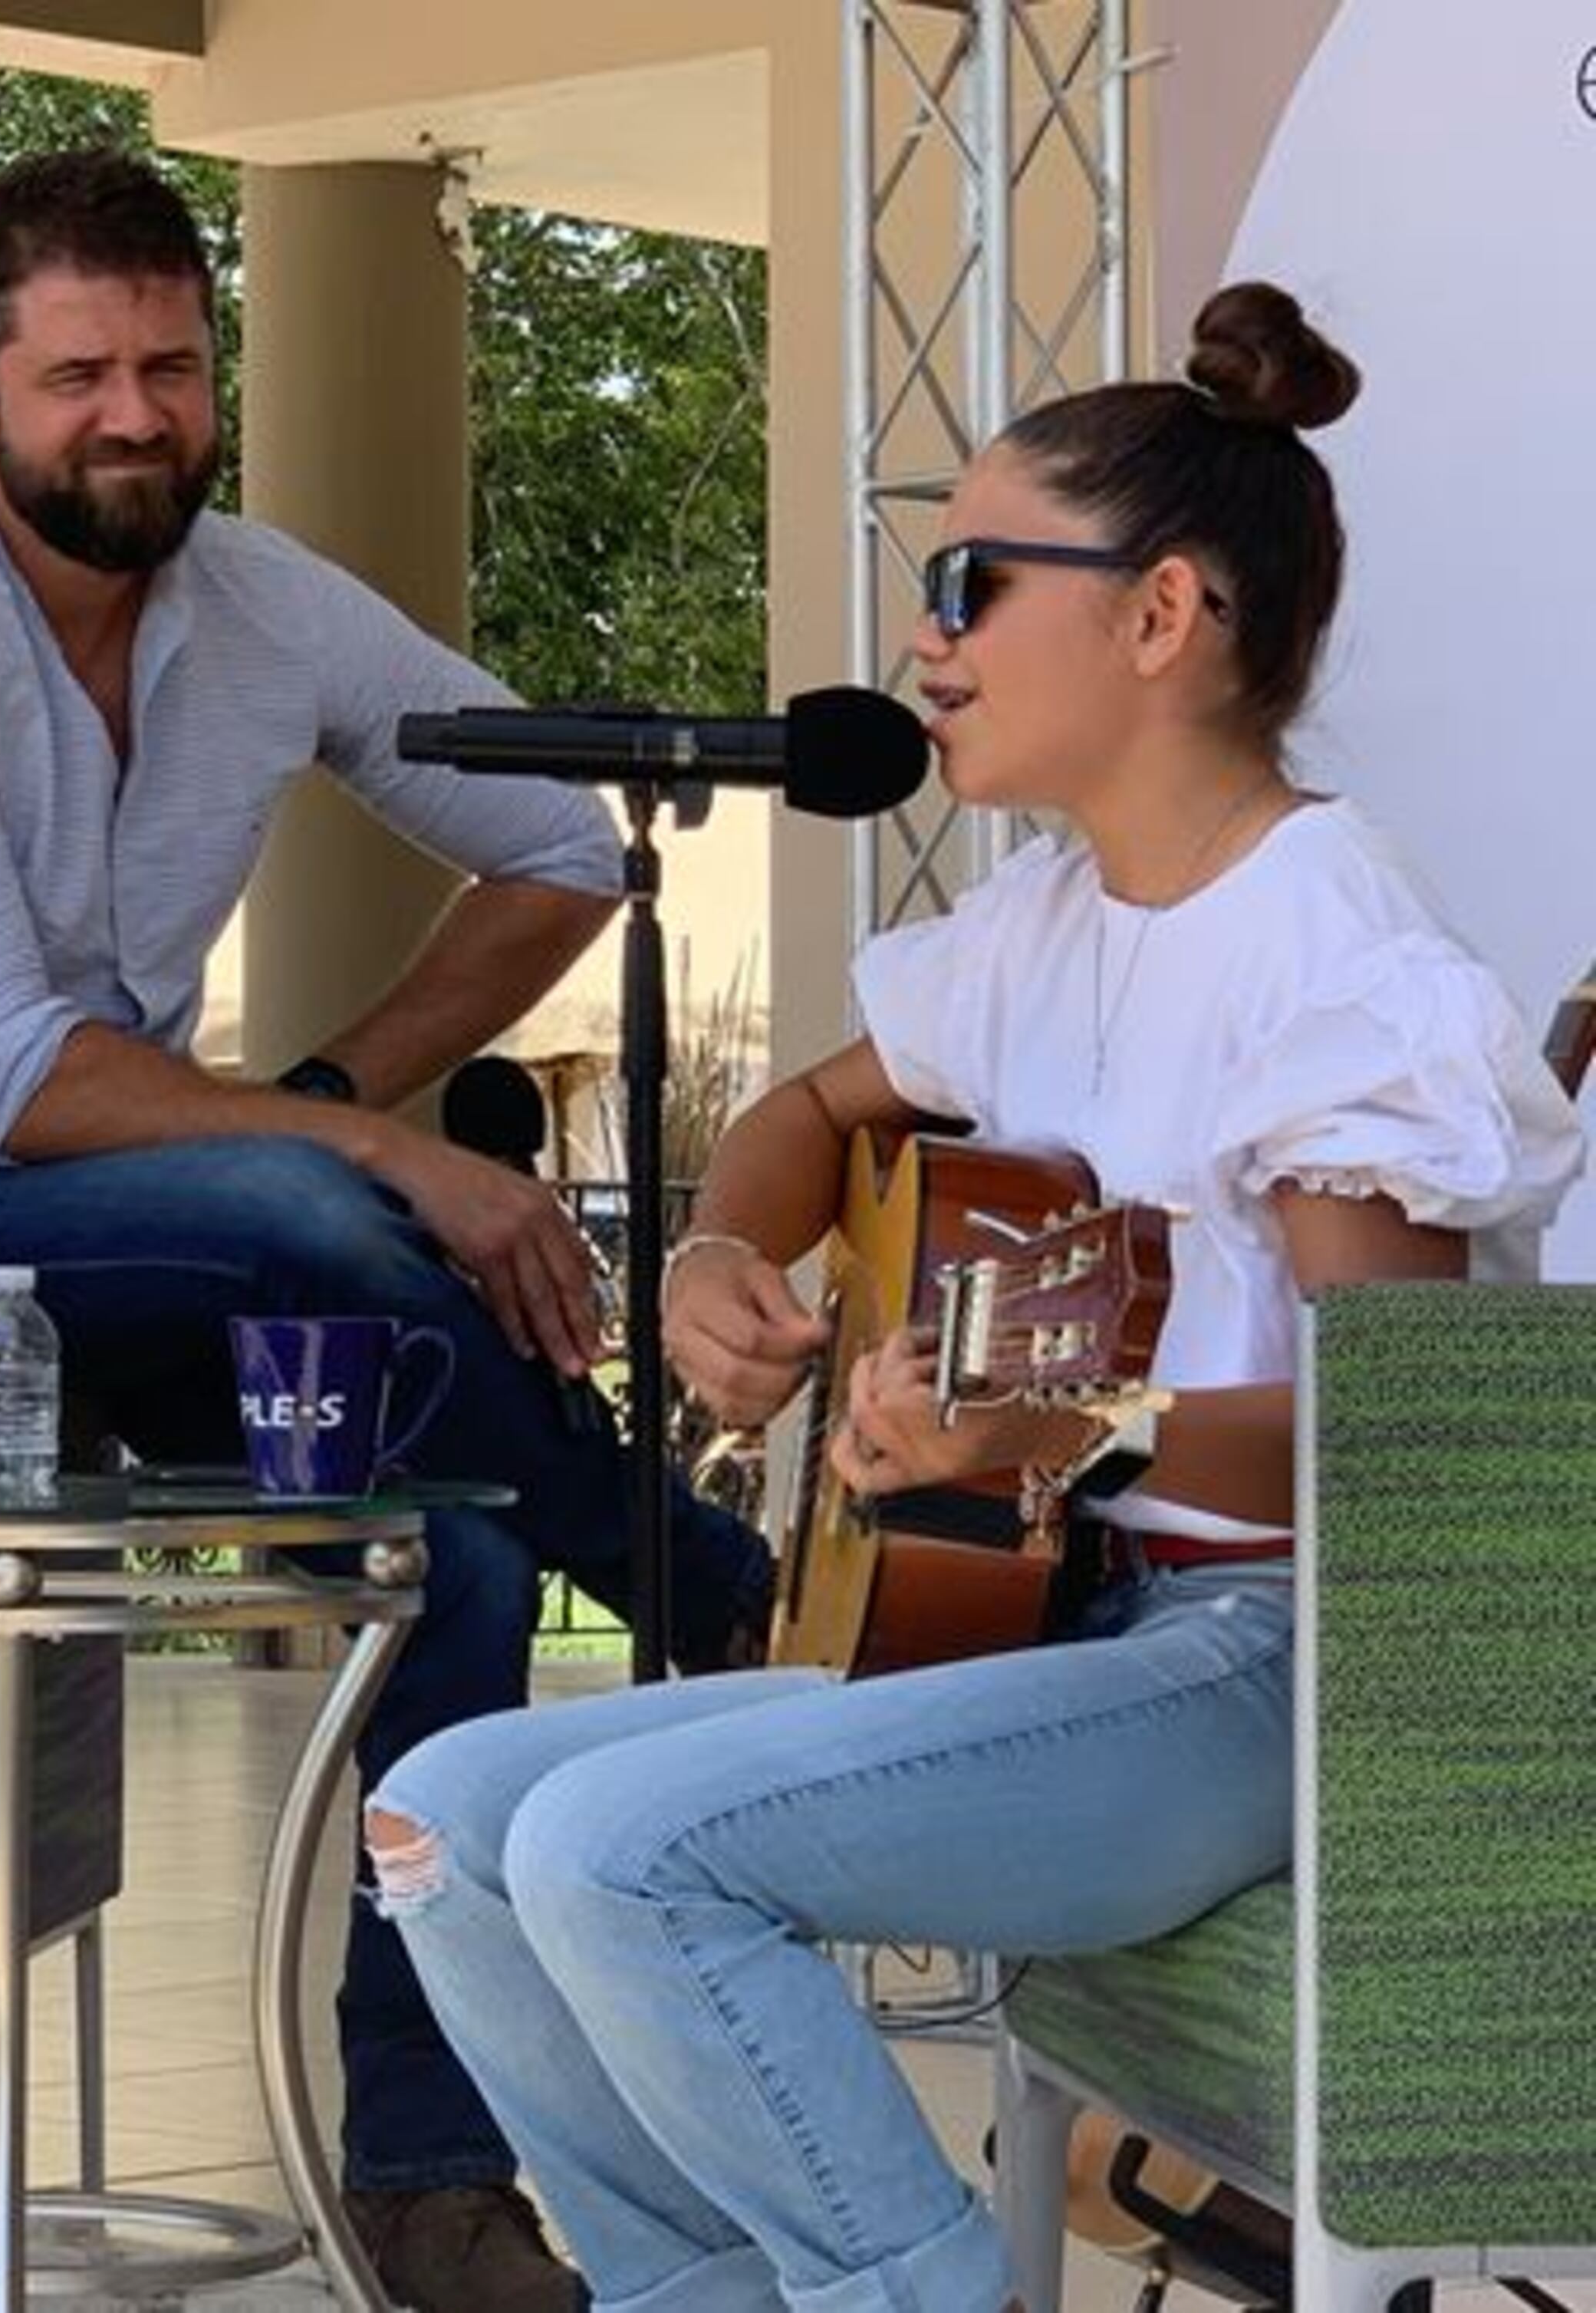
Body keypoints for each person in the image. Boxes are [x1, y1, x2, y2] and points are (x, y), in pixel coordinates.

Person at [362, 281, 1587, 2313]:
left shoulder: (1337, 970)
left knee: (617, 1851)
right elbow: (798, 1116)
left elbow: (1416, 1445)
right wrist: (727, 1261)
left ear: (1161, 614)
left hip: (1275, 1662)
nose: (924, 637)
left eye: (972, 579)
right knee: (445, 1815)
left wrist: (1062, 1432)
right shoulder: (1035, 928)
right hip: (1061, 1624)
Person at [0, 148, 774, 2313]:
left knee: (447, 1559)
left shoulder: (262, 601)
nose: (137, 417)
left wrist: (343, 1100)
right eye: (81, 373)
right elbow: (6, 1078)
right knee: (304, 1200)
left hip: (195, 1251)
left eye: (173, 365)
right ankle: (708, 1575)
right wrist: (380, 1157)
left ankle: (431, 2182)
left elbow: (563, 843)